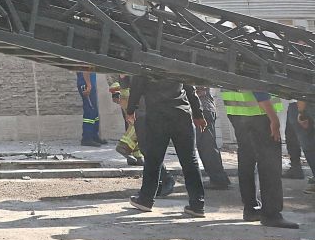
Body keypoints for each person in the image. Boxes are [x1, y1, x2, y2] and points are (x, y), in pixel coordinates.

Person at [124, 75, 206, 217]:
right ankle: (197, 204)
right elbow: (189, 88)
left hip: (158, 117)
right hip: (181, 115)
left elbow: (137, 87)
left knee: (153, 159)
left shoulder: (145, 60)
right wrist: (198, 114)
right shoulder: (179, 60)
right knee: (189, 160)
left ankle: (145, 200)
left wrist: (130, 110)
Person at [223, 90, 299, 229]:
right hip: (259, 113)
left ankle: (250, 209)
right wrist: (273, 118)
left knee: (246, 160)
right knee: (270, 163)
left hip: (237, 112)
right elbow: (256, 84)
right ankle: (271, 214)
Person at [193, 86, 231, 189]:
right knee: (207, 146)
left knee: (207, 147)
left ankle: (219, 180)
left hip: (203, 111)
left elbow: (200, 90)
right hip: (205, 110)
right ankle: (219, 179)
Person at [283, 98, 315, 181]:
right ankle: (295, 168)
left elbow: (302, 90)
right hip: (299, 103)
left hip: (301, 103)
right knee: (292, 137)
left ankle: (296, 169)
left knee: (308, 144)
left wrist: (301, 112)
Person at [76, 70, 104, 145]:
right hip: (86, 84)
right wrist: (89, 84)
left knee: (94, 111)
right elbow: (85, 68)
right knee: (89, 110)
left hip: (89, 83)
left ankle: (94, 135)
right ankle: (87, 138)